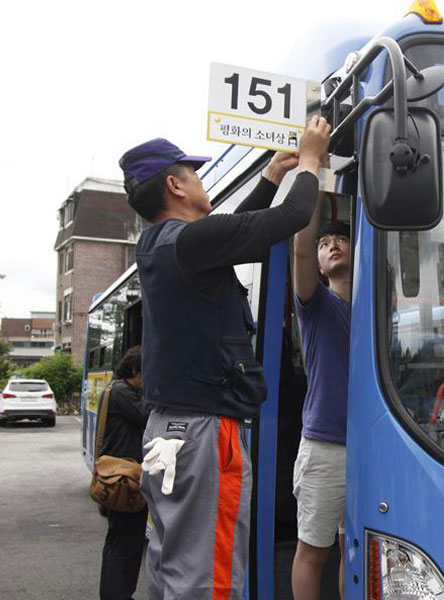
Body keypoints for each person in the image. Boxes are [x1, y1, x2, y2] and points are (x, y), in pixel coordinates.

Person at [118, 115, 331, 600]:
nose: (200, 180)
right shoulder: (188, 241)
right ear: (175, 184)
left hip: (167, 431)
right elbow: (291, 218)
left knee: (173, 566)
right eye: (193, 173)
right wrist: (313, 158)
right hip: (203, 434)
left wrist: (270, 179)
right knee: (209, 580)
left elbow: (227, 236)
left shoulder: (156, 244)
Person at [291, 176, 351, 600]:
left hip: (370, 445)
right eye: (324, 242)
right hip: (325, 446)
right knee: (314, 551)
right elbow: (300, 245)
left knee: (355, 546)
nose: (331, 244)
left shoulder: (375, 312)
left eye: (340, 240)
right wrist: (312, 177)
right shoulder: (314, 304)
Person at [98, 346, 150, 600]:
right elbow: (146, 416)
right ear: (134, 371)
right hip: (124, 481)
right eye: (146, 374)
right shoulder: (122, 392)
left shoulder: (115, 389)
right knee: (125, 545)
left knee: (119, 542)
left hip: (117, 478)